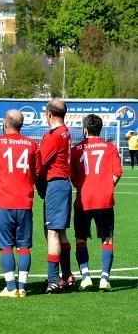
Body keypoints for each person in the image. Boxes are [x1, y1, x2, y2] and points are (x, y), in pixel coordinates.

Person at [0, 110, 39, 298]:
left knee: (6, 246)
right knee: (24, 246)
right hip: (25, 202)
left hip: (4, 202)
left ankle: (10, 288)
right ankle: (23, 287)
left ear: (5, 123)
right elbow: (35, 172)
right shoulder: (31, 144)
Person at [71, 114, 123, 292]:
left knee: (80, 238)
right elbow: (117, 173)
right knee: (107, 239)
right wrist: (107, 186)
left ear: (85, 130)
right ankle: (104, 279)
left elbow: (74, 178)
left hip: (84, 201)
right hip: (105, 200)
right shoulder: (110, 148)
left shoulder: (76, 149)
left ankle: (85, 277)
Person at [36, 98, 74, 293]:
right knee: (60, 232)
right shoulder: (66, 132)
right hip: (63, 185)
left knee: (52, 232)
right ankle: (66, 275)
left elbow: (39, 163)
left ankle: (53, 279)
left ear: (49, 114)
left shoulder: (54, 135)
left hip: (56, 185)